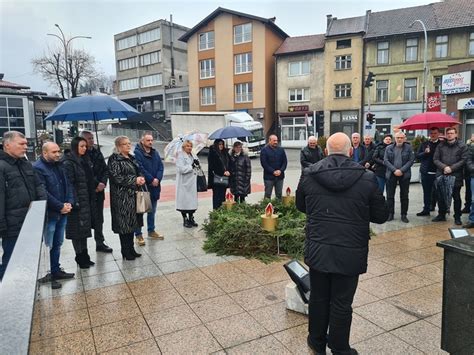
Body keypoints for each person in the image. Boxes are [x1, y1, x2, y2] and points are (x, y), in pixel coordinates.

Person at [296, 132, 388, 355]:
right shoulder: (366, 177)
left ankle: (316, 341)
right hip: (350, 250)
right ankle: (339, 347)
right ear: (350, 151)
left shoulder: (309, 174)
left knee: (318, 298)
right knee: (341, 302)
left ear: (326, 151)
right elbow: (381, 215)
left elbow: (301, 205)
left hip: (319, 248)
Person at [0, 131, 47, 281]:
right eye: (22, 144)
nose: (26, 147)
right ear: (7, 145)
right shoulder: (1, 167)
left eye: (26, 143)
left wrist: (41, 207)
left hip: (31, 221)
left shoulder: (26, 164)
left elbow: (38, 186)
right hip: (12, 225)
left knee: (28, 261)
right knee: (11, 261)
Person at [34, 142, 75, 289]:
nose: (58, 154)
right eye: (54, 152)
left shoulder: (60, 165)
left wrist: (69, 202)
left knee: (58, 244)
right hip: (50, 214)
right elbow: (43, 193)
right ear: (45, 153)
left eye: (58, 151)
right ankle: (48, 273)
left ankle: (56, 270)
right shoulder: (38, 168)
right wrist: (60, 206)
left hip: (63, 212)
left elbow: (68, 185)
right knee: (48, 245)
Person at [108, 136, 145, 260]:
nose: (128, 146)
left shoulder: (131, 157)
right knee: (124, 226)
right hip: (122, 198)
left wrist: (140, 177)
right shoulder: (114, 160)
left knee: (132, 224)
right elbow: (117, 177)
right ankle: (125, 251)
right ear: (118, 146)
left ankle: (131, 249)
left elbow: (138, 170)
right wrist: (134, 180)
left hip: (134, 195)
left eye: (129, 143)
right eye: (125, 144)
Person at [62, 137, 95, 269]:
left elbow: (88, 179)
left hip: (85, 199)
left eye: (85, 146)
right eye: (81, 146)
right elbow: (69, 184)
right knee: (77, 231)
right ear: (75, 146)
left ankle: (85, 256)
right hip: (76, 202)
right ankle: (80, 257)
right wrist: (74, 201)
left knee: (84, 230)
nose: (84, 148)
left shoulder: (84, 160)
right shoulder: (68, 162)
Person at [80, 131, 113, 253]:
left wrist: (103, 183)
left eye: (92, 138)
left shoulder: (96, 151)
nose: (91, 140)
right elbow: (85, 173)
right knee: (86, 219)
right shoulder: (81, 154)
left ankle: (100, 242)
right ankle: (82, 250)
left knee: (99, 218)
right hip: (87, 192)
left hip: (99, 192)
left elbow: (105, 170)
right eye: (88, 138)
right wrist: (95, 184)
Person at [134, 132, 165, 244]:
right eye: (148, 140)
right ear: (142, 141)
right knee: (141, 212)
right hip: (144, 186)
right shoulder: (137, 153)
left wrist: (158, 178)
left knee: (152, 211)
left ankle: (151, 230)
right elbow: (140, 168)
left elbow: (161, 167)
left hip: (155, 186)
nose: (150, 142)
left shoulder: (155, 152)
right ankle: (138, 234)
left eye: (152, 140)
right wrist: (151, 179)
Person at [433, 127, 468, 225]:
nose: (449, 135)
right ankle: (441, 214)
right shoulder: (441, 145)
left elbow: (464, 160)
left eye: (452, 133)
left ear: (456, 134)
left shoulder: (462, 146)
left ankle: (457, 217)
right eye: (448, 133)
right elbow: (435, 159)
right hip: (442, 174)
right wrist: (444, 167)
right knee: (441, 196)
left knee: (456, 197)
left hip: (455, 175)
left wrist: (451, 168)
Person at [384, 132, 415, 223]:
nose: (399, 139)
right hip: (391, 174)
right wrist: (394, 170)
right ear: (394, 138)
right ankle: (390, 213)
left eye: (401, 137)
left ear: (405, 138)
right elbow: (386, 160)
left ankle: (404, 214)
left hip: (404, 175)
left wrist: (401, 170)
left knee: (404, 195)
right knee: (390, 195)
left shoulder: (409, 148)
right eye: (398, 137)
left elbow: (411, 160)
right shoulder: (389, 148)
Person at [416, 127, 441, 216]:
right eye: (431, 133)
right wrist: (425, 153)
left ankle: (441, 211)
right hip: (426, 172)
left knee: (439, 193)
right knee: (427, 192)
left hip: (438, 172)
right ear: (429, 134)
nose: (433, 135)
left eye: (435, 133)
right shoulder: (424, 144)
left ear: (438, 134)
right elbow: (417, 156)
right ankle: (426, 209)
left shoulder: (442, 144)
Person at [176, 140, 199, 228]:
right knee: (184, 202)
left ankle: (191, 218)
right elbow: (181, 169)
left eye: (190, 146)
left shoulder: (193, 155)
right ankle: (185, 219)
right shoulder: (180, 156)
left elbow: (197, 165)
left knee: (192, 202)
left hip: (192, 182)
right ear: (183, 147)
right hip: (184, 183)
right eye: (187, 146)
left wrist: (197, 164)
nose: (189, 148)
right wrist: (191, 166)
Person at [260, 134, 287, 199]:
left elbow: (285, 162)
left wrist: (280, 170)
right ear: (269, 141)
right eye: (274, 140)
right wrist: (273, 171)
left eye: (277, 140)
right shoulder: (264, 150)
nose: (276, 142)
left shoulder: (281, 150)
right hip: (269, 177)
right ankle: (266, 208)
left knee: (279, 194)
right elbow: (264, 164)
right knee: (268, 194)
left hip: (280, 176)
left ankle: (279, 208)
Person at [208, 139, 230, 209]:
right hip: (216, 177)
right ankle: (216, 210)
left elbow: (228, 163)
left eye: (222, 144)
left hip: (224, 177)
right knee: (217, 195)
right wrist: (222, 172)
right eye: (219, 144)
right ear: (216, 144)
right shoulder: (213, 153)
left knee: (222, 195)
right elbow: (213, 166)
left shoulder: (224, 153)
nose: (221, 146)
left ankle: (222, 210)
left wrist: (228, 171)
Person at [462, 133, 474, 214]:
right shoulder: (468, 145)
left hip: (470, 172)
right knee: (468, 191)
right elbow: (467, 159)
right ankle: (467, 206)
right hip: (469, 172)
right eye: (473, 135)